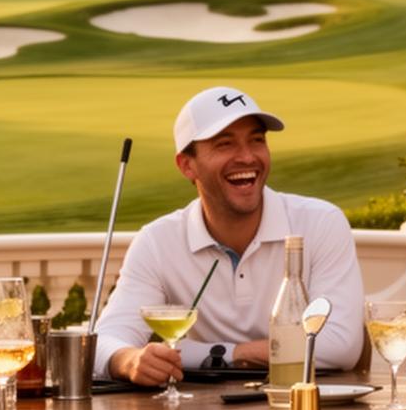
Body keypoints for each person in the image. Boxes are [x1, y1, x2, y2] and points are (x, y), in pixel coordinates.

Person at [96, 86, 364, 384]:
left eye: (257, 140)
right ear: (187, 165)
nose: (247, 157)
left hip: (306, 409)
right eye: (225, 144)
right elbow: (106, 341)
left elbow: (340, 344)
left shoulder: (321, 222)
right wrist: (129, 360)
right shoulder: (157, 241)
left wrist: (225, 354)